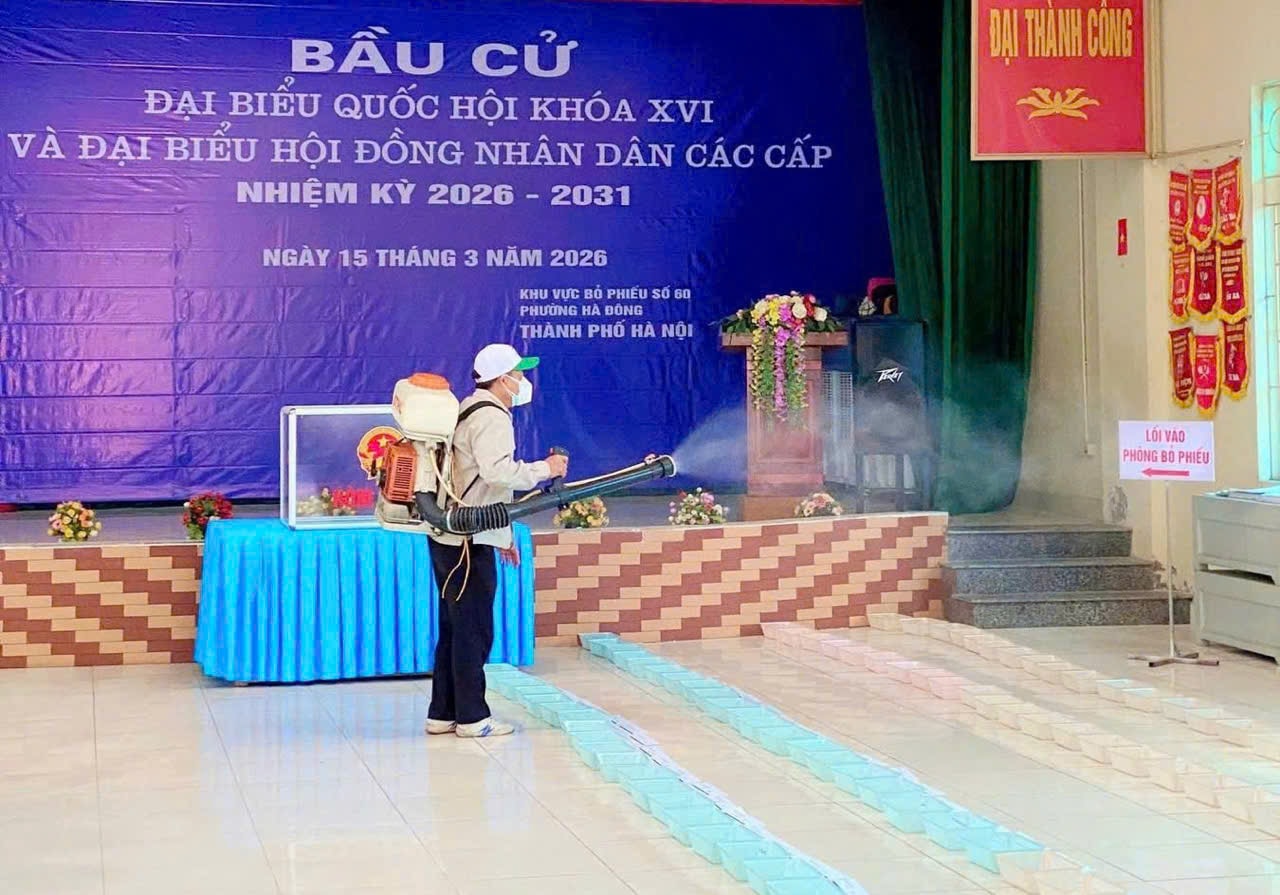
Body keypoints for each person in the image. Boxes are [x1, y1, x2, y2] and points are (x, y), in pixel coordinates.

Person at [425, 344, 569, 738]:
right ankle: (473, 718)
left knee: (455, 627)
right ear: (503, 380)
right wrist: (546, 469)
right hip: (468, 541)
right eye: (518, 375)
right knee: (473, 630)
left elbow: (480, 485)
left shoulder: (469, 408)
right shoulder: (492, 416)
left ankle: (443, 713)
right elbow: (497, 473)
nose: (523, 381)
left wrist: (502, 536)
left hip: (454, 535)